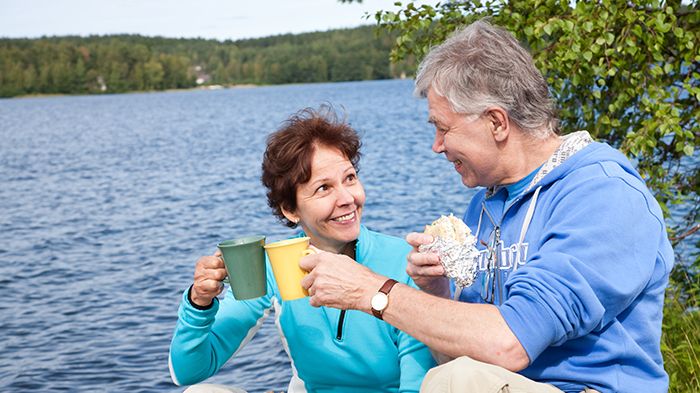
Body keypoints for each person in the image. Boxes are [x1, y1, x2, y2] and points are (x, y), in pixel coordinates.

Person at [298, 20, 674, 393]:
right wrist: (437, 293)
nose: (436, 145)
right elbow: (465, 356)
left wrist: (374, 291)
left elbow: (507, 343)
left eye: (443, 128)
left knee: (456, 381)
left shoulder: (603, 195)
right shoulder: (484, 206)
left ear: (496, 122)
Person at [168, 107, 436, 393]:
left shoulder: (404, 263)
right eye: (324, 188)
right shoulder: (275, 267)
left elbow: (417, 385)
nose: (347, 198)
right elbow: (188, 371)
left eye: (350, 178)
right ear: (290, 209)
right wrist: (199, 303)